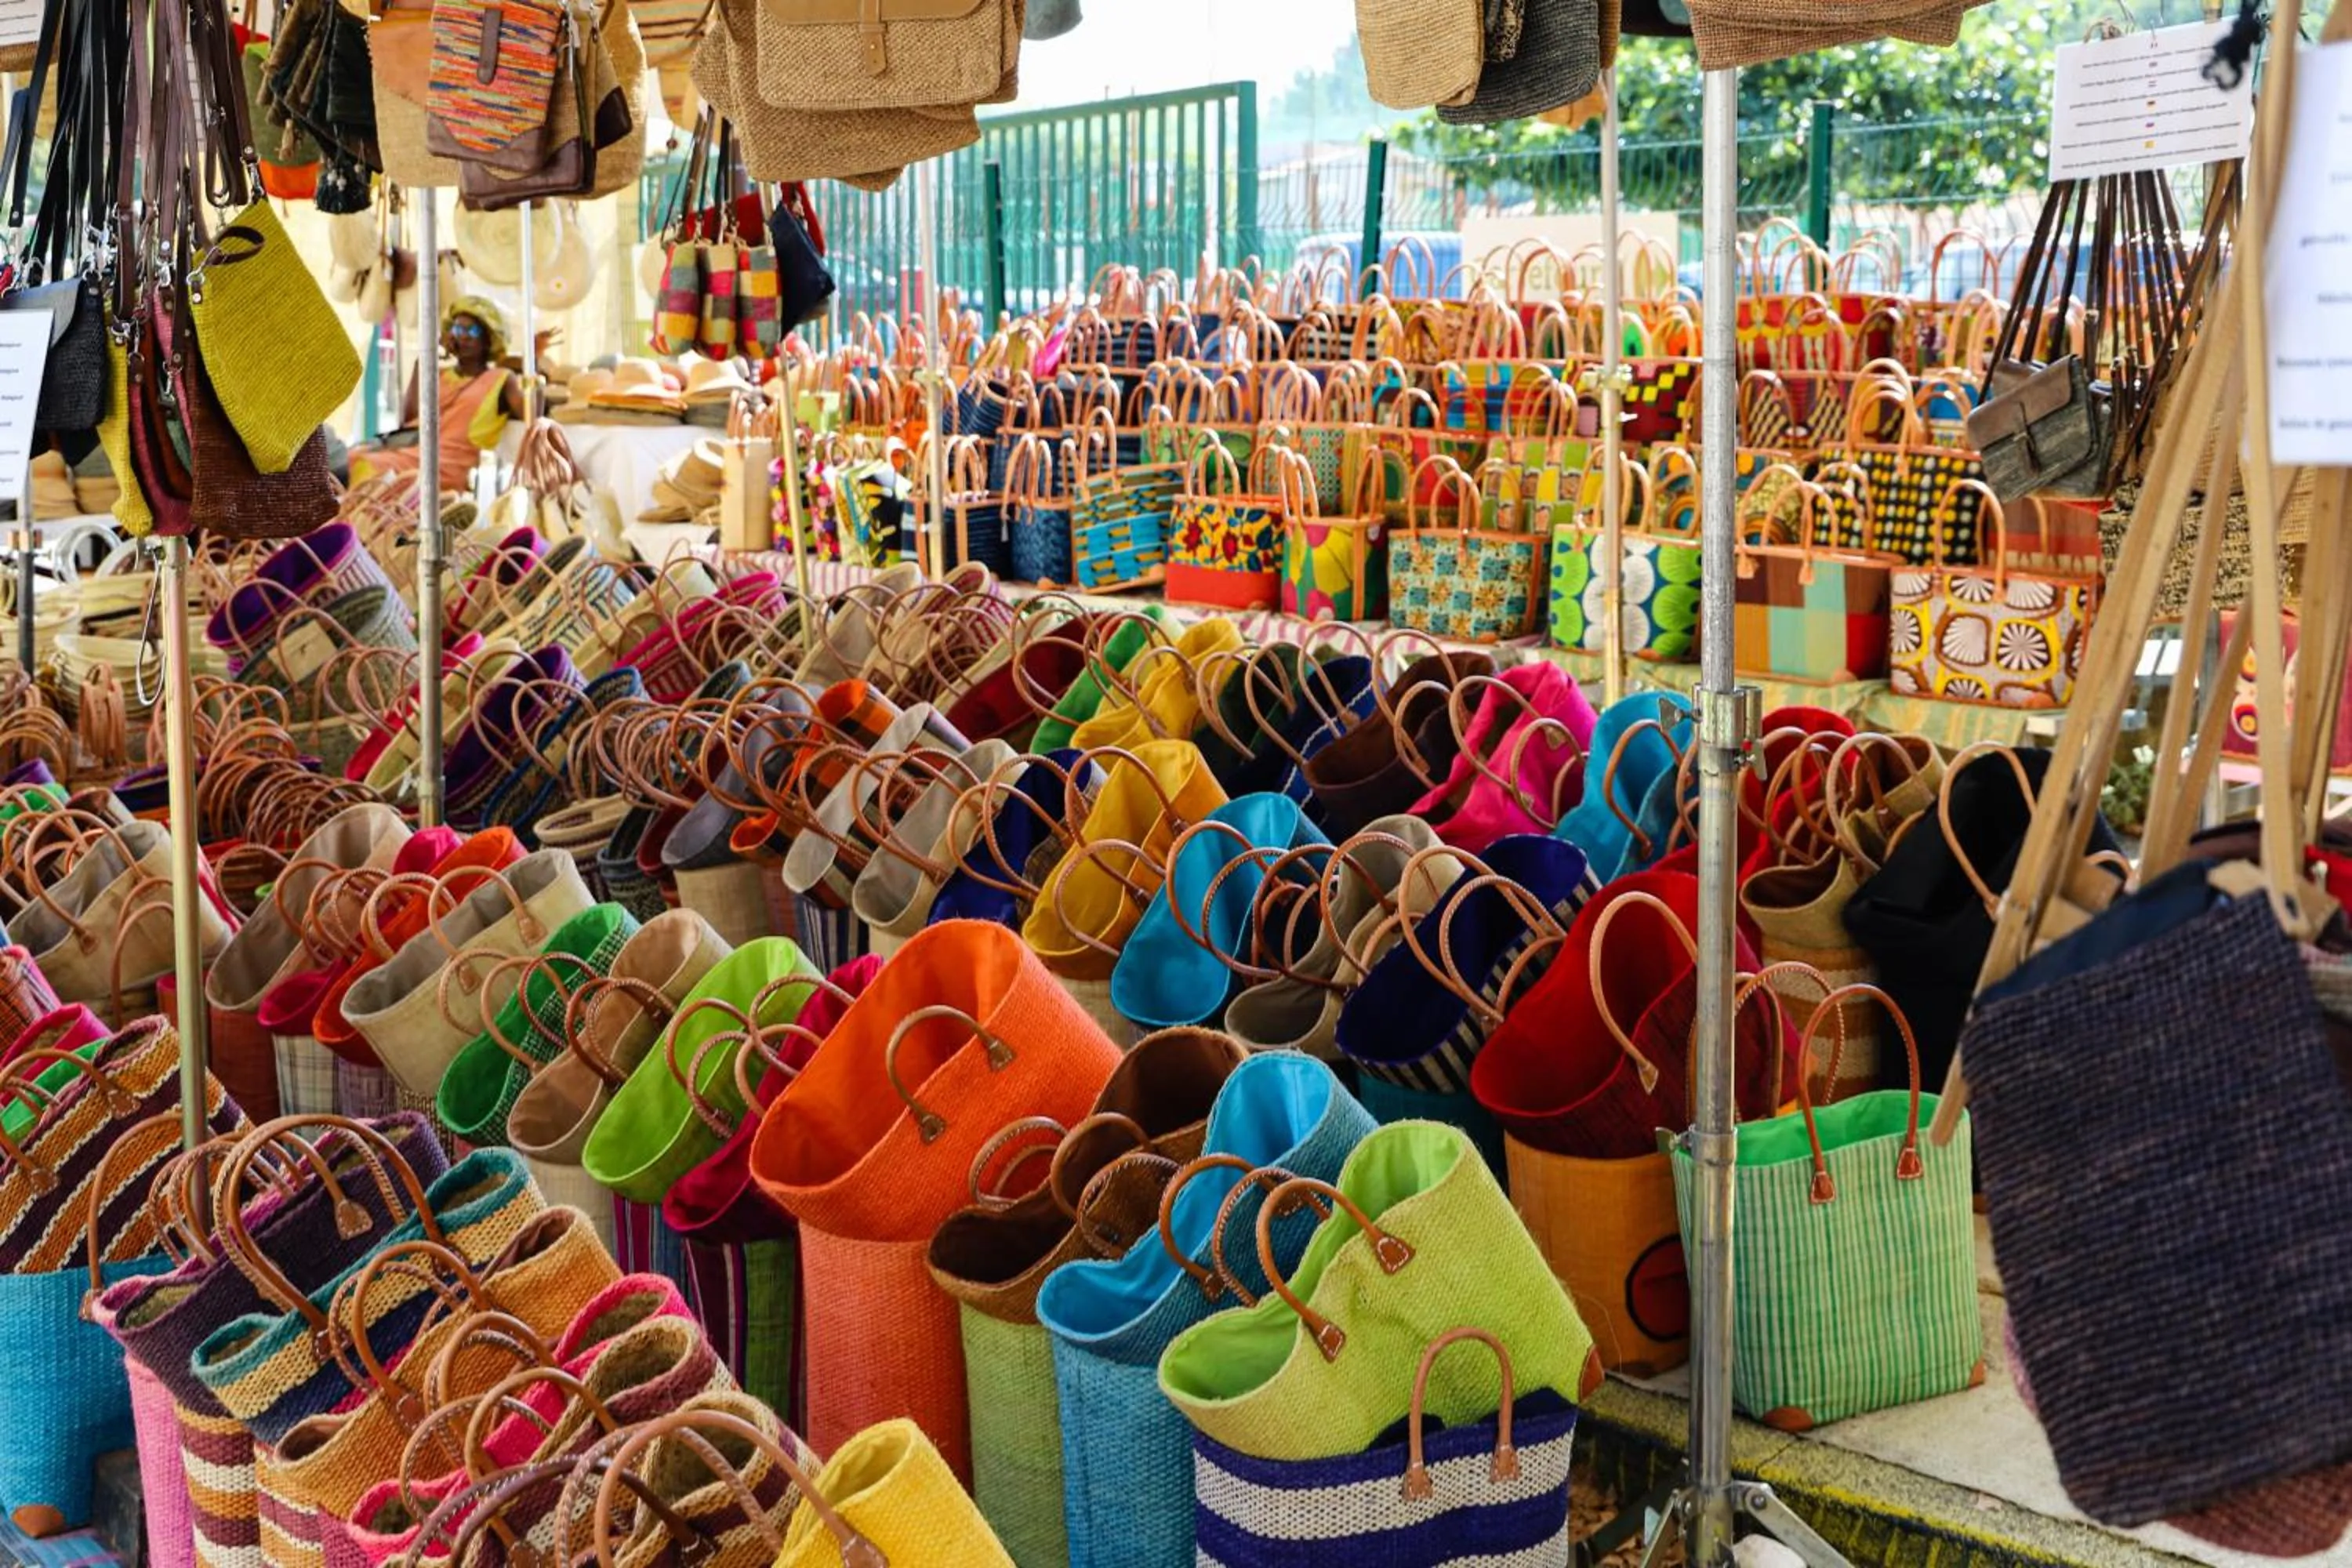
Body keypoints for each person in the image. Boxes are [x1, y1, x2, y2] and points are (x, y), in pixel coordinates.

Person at [401, 296, 546, 489]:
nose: (463, 336)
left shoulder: (502, 378)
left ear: (488, 340)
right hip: (412, 453)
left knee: (367, 465)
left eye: (472, 331)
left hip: (450, 466)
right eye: (457, 329)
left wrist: (534, 361)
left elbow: (532, 416)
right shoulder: (438, 375)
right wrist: (422, 362)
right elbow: (408, 420)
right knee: (361, 457)